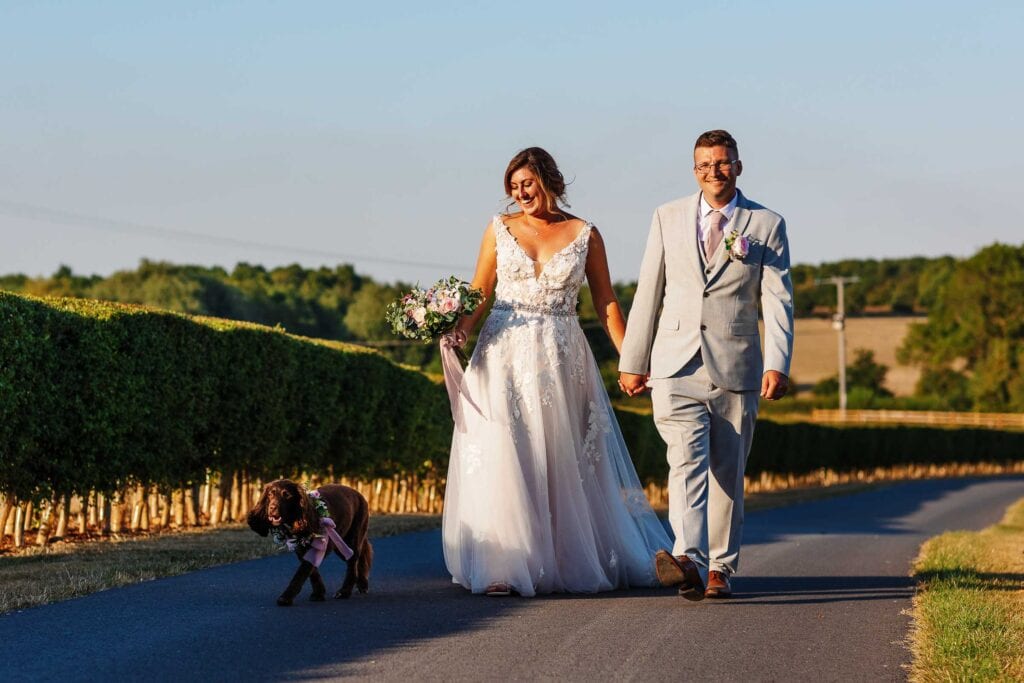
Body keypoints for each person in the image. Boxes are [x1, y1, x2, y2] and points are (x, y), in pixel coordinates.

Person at [441, 147, 671, 597]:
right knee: (506, 454)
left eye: (528, 183)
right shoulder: (499, 229)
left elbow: (606, 304)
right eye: (514, 186)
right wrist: (458, 332)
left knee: (564, 458)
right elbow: (480, 292)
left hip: (562, 355)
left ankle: (566, 558)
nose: (520, 193)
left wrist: (633, 360)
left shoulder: (585, 234)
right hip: (502, 352)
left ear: (548, 180)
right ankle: (503, 566)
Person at [619, 129, 794, 601]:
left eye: (722, 163)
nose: (713, 171)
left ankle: (721, 566)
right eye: (704, 165)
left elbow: (778, 301)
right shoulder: (666, 217)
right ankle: (688, 558)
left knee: (726, 471)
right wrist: (632, 359)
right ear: (694, 169)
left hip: (736, 366)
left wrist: (777, 362)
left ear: (737, 166)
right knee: (684, 461)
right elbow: (648, 292)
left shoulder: (767, 224)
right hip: (674, 365)